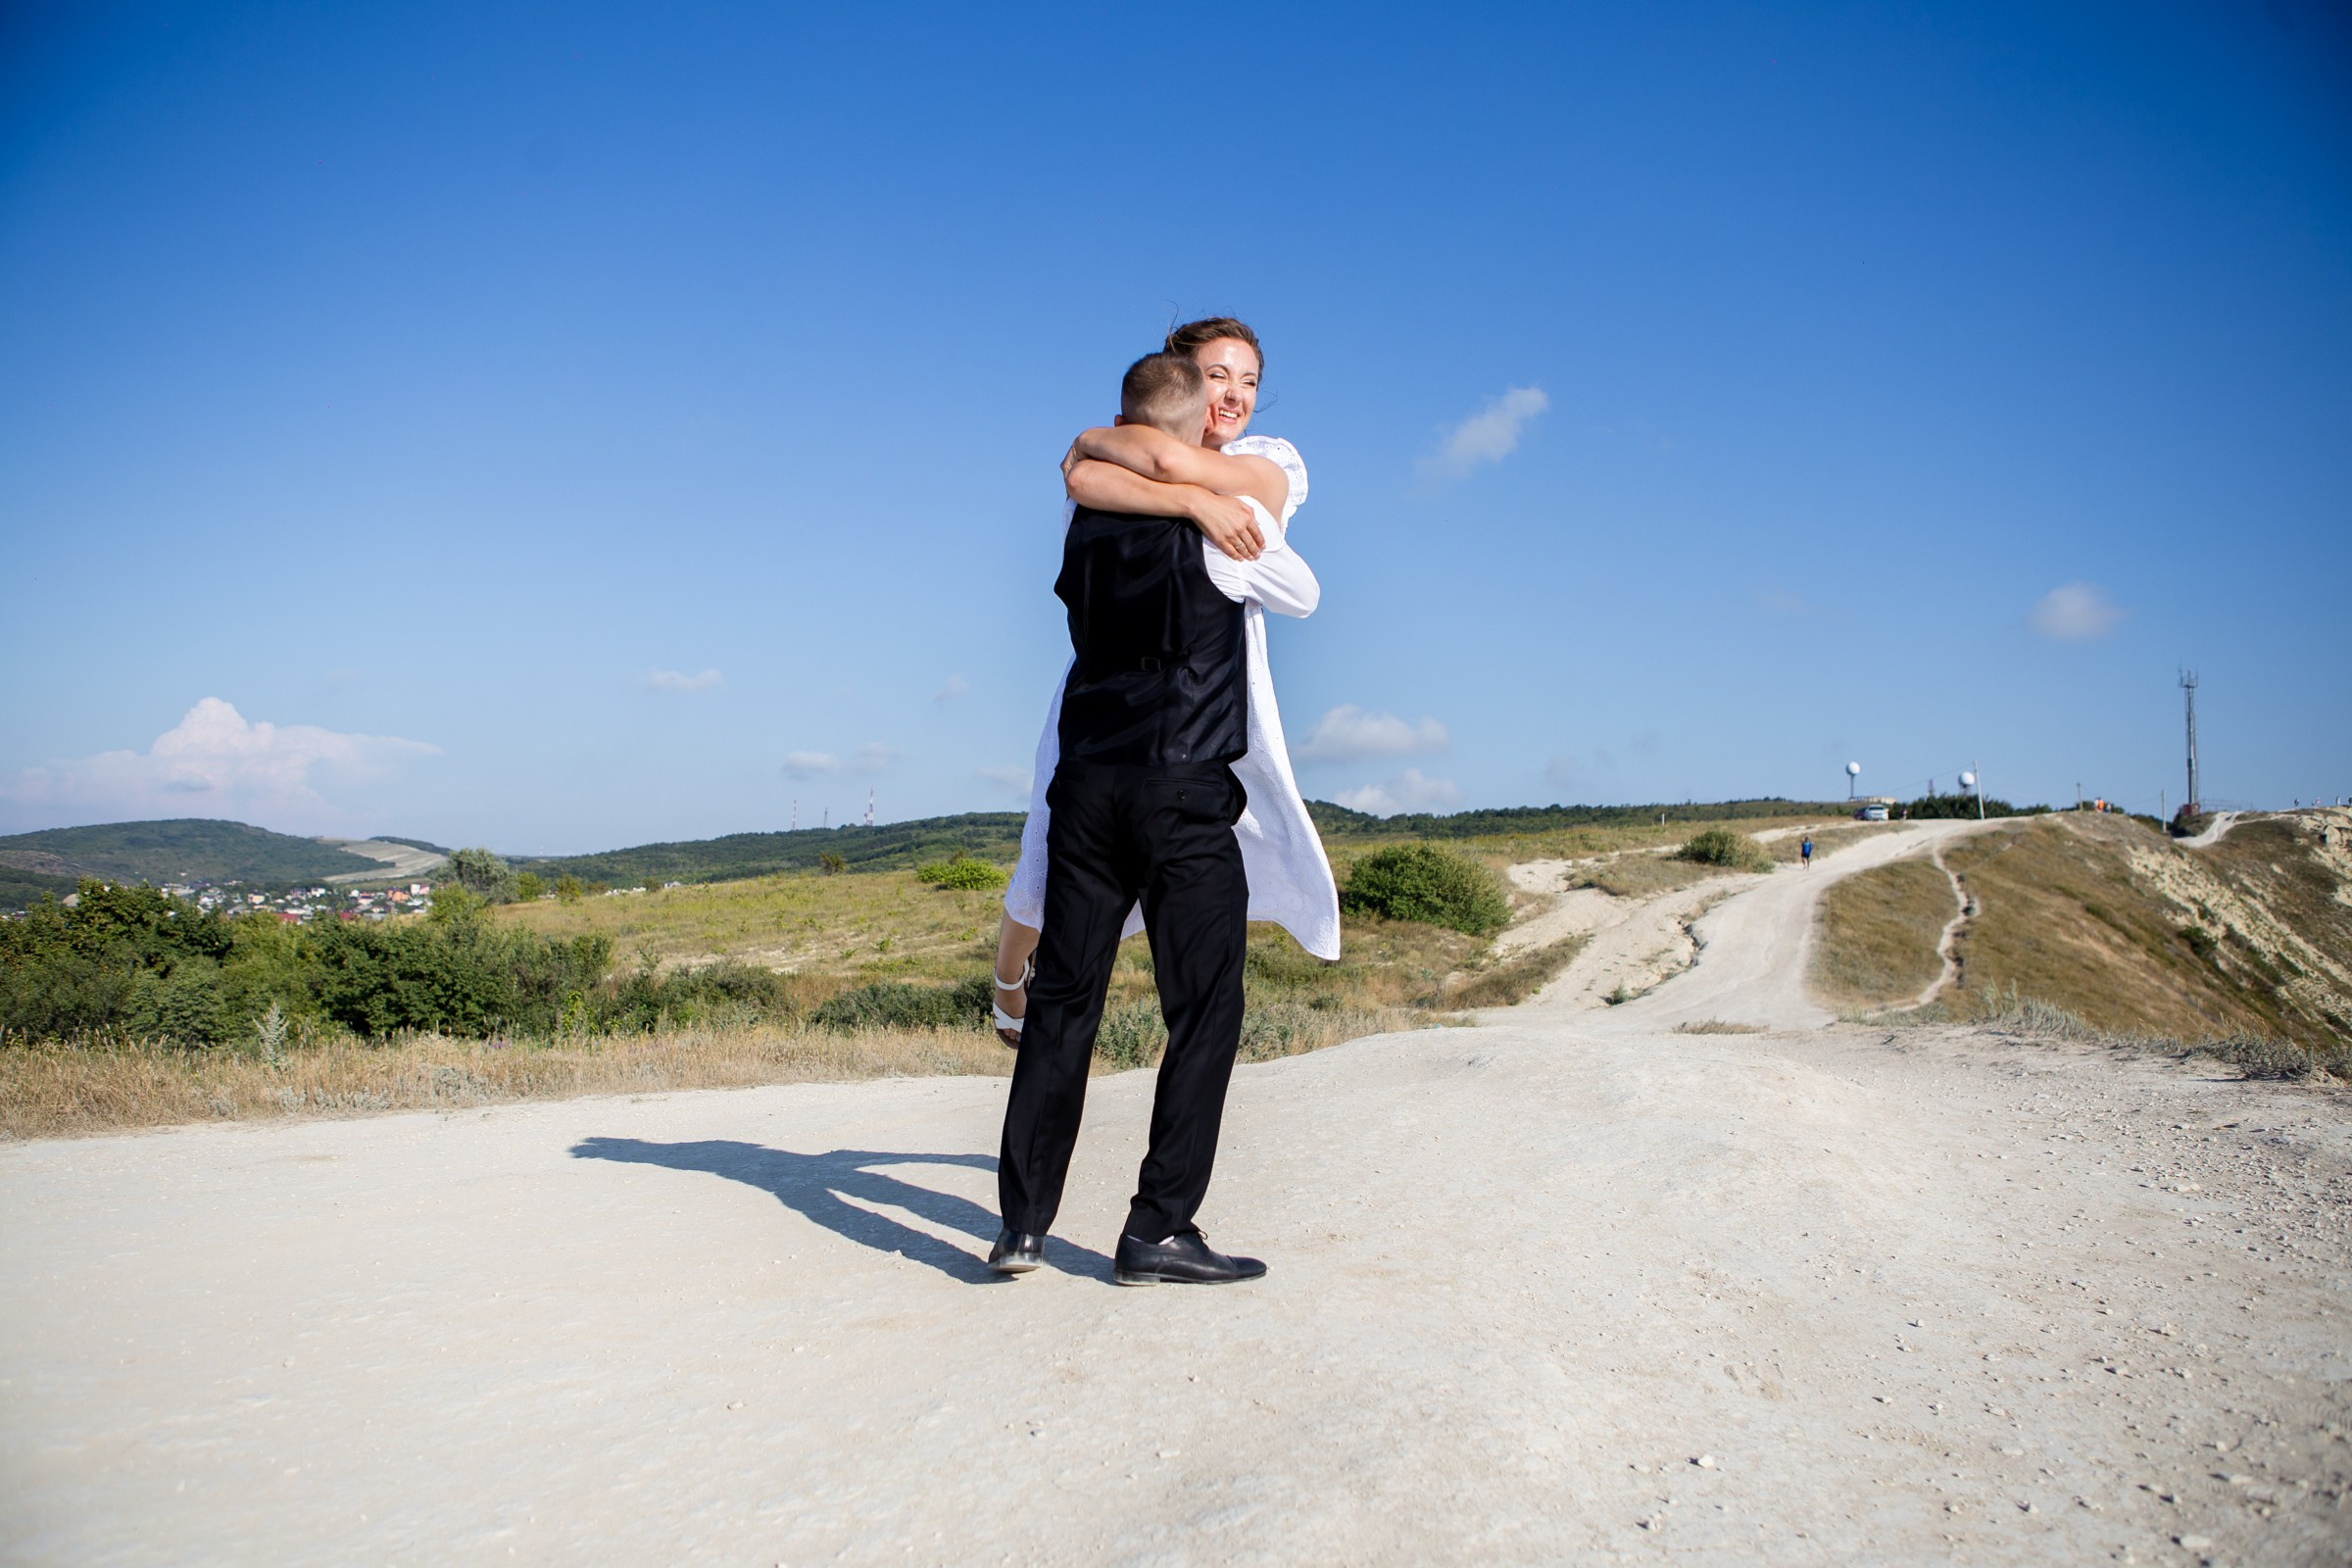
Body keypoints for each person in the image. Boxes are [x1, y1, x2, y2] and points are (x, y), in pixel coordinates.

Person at [991, 351, 1320, 1287]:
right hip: (1181, 792)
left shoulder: (1085, 519)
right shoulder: (1226, 527)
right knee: (1204, 1008)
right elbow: (1302, 593)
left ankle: (1022, 1227)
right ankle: (1158, 1228)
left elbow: (1087, 470)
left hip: (1087, 788)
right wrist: (1213, 508)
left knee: (1065, 1002)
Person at [991, 318, 1338, 1045]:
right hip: (1106, 687)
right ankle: (1009, 977)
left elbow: (1133, 464)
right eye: (1217, 376)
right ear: (1179, 381)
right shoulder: (1141, 463)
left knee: (1209, 853)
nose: (1235, 395)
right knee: (1046, 852)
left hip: (1211, 685)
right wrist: (1190, 500)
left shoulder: (1268, 459)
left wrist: (1114, 446)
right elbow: (1085, 479)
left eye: (1250, 381)